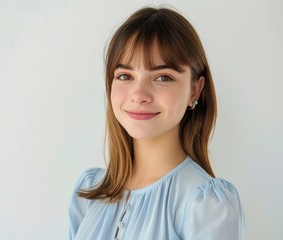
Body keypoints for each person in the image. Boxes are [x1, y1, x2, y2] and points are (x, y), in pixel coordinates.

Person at [68, 6, 245, 240]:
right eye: (125, 76)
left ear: (195, 89)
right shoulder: (90, 191)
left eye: (163, 77)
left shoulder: (207, 206)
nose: (139, 94)